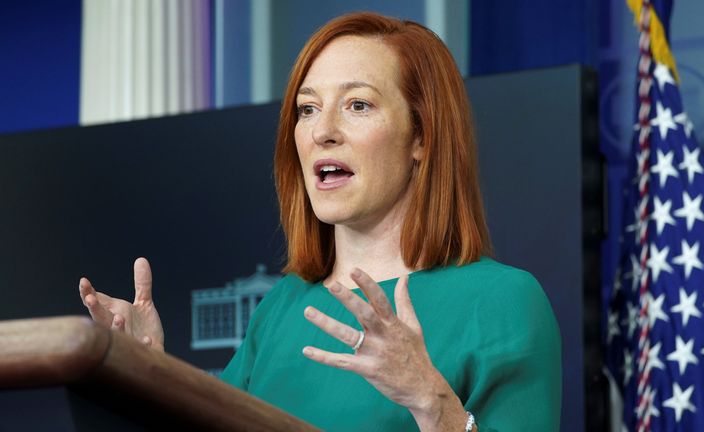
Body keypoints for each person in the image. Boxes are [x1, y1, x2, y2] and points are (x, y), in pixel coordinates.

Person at [78, 12, 561, 431]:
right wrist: (150, 375)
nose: (323, 131)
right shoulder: (282, 307)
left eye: (357, 104)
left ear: (423, 137)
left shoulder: (501, 302)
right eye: (308, 109)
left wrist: (432, 403)